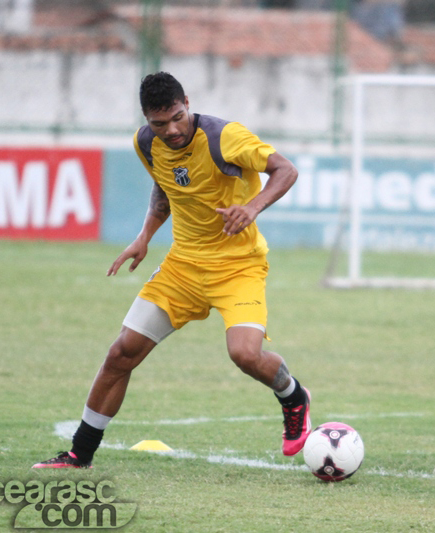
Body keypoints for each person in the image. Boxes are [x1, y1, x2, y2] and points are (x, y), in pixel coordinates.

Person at [33, 72, 312, 468]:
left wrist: (251, 208)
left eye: (178, 117)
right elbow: (165, 187)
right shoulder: (145, 142)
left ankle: (293, 395)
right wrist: (144, 235)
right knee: (121, 353)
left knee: (246, 355)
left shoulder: (224, 137)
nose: (172, 130)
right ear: (147, 118)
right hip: (183, 267)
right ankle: (80, 453)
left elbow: (286, 170)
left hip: (238, 267)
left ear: (187, 101)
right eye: (159, 123)